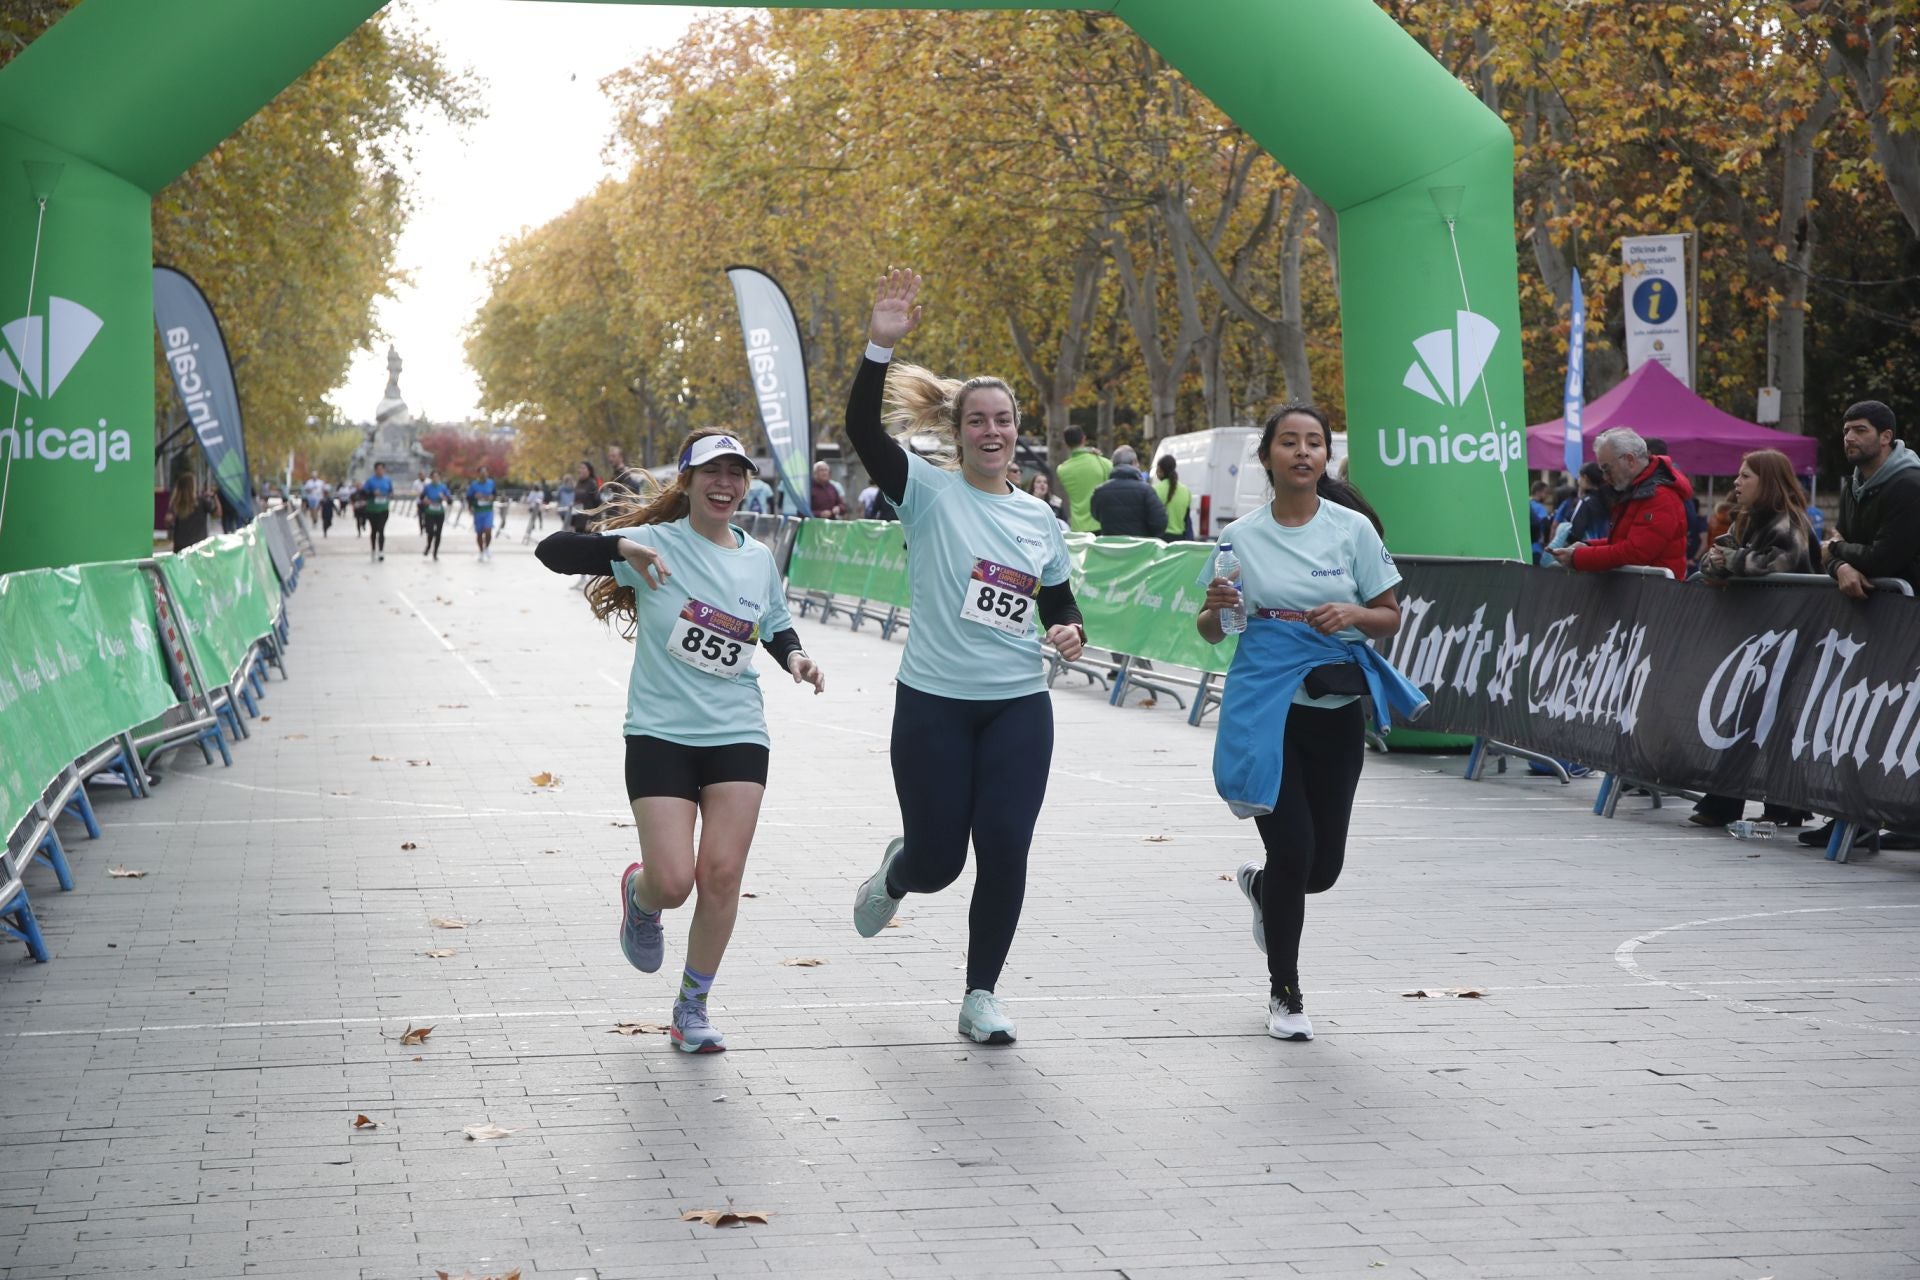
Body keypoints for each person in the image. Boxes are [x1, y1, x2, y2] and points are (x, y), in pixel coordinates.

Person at [846, 268, 1088, 1046]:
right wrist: (880, 345)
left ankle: (981, 995)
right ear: (959, 433)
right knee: (941, 861)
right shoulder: (926, 490)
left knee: (1006, 849)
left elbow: (1057, 598)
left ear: (1019, 430)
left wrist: (1069, 630)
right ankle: (896, 873)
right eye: (978, 421)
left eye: (1004, 421)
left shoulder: (1039, 519)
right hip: (934, 704)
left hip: (1018, 704)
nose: (992, 432)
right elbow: (861, 430)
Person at [534, 430, 826, 1053]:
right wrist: (619, 545)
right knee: (674, 883)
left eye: (736, 473)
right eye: (711, 473)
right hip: (660, 733)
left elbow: (773, 623)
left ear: (746, 483)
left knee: (721, 874)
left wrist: (795, 658)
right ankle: (641, 898)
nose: (725, 484)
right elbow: (551, 550)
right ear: (687, 483)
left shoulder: (756, 557)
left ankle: (691, 1008)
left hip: (737, 731)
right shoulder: (654, 545)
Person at [1198, 404, 1415, 1043]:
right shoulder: (1240, 536)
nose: (1302, 452)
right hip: (1264, 712)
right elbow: (1214, 630)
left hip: (1335, 711)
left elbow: (1390, 615)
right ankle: (1285, 993)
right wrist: (1216, 609)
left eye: (1314, 443)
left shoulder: (1352, 531)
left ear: (1325, 456)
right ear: (1266, 456)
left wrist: (1351, 615)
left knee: (1320, 871)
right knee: (1293, 850)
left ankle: (1264, 890)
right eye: (1288, 442)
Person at [1692, 449, 1817, 830]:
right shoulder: (1746, 520)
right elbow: (1712, 557)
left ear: (1767, 481)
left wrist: (1731, 562)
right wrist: (1727, 561)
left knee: (1758, 716)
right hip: (1759, 635)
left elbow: (1774, 565)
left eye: (1745, 476)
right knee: (1764, 717)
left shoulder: (1789, 522)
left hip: (1789, 634)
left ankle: (1728, 801)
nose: (1736, 482)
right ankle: (1783, 803)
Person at [1547, 427, 1690, 578]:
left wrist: (1579, 557)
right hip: (1647, 589)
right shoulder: (1642, 490)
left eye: (1607, 469)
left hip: (1653, 593)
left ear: (1630, 460)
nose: (1605, 478)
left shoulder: (1659, 495)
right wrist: (1586, 547)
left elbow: (1636, 552)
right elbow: (1625, 542)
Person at [1823, 399, 1920, 597]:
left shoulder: (1909, 486)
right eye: (1846, 430)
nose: (1849, 437)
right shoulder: (1851, 487)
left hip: (1909, 612)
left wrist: (1836, 546)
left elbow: (1882, 560)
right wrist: (1841, 568)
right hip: (1868, 612)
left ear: (1885, 437)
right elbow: (1829, 554)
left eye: (1860, 430)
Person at [1088, 446, 1167, 538]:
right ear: (1134, 462)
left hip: (1111, 547)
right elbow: (1160, 522)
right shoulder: (1146, 490)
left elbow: (1096, 515)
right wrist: (1149, 536)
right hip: (1140, 547)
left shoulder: (1100, 492)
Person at [1055, 424, 1111, 532]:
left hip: (1078, 527)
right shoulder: (1103, 463)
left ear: (1066, 444)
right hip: (1100, 523)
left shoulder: (1062, 470)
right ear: (1084, 439)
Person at [168, 472, 221, 552]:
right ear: (193, 486)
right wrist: (215, 497)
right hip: (199, 545)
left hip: (180, 546)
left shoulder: (176, 503)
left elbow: (168, 522)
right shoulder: (201, 502)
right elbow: (218, 514)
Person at [1151, 454, 1193, 541]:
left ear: (1160, 470)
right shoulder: (1186, 491)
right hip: (1180, 539)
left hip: (1160, 539)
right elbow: (1187, 520)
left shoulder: (1154, 490)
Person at [362, 462, 393, 562]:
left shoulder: (387, 480)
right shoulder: (370, 481)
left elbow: (391, 491)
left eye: (382, 469)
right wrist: (372, 493)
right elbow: (363, 493)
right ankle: (373, 549)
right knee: (374, 531)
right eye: (378, 469)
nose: (380, 471)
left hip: (383, 509)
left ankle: (381, 551)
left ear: (384, 470)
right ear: (375, 470)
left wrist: (390, 495)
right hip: (372, 509)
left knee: (381, 530)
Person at [467, 469, 498, 561]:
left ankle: (487, 548)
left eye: (486, 473)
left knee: (488, 530)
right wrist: (472, 503)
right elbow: (469, 497)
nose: (484, 475)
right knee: (479, 533)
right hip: (478, 511)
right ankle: (481, 551)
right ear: (479, 475)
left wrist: (492, 497)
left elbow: (495, 494)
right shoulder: (474, 485)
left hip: (488, 510)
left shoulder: (491, 483)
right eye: (482, 474)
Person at [419, 471, 450, 560]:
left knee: (438, 533)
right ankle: (428, 546)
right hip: (429, 512)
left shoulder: (443, 487)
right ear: (431, 478)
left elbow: (449, 500)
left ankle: (435, 552)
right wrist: (425, 501)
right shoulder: (427, 487)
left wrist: (444, 498)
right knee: (430, 532)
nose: (435, 479)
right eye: (433, 477)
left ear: (439, 478)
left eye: (437, 477)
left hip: (440, 512)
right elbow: (421, 498)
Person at [1528, 480, 1553, 564]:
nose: (1546, 496)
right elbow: (1546, 525)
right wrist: (1546, 542)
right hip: (1536, 547)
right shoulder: (1540, 507)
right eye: (1545, 493)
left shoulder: (1527, 503)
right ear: (1538, 492)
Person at [571, 461, 601, 532]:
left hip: (588, 524)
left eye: (583, 468)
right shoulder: (578, 483)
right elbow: (575, 504)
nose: (580, 470)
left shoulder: (592, 484)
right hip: (578, 523)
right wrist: (572, 523)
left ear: (589, 471)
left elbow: (597, 504)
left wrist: (592, 521)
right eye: (580, 468)